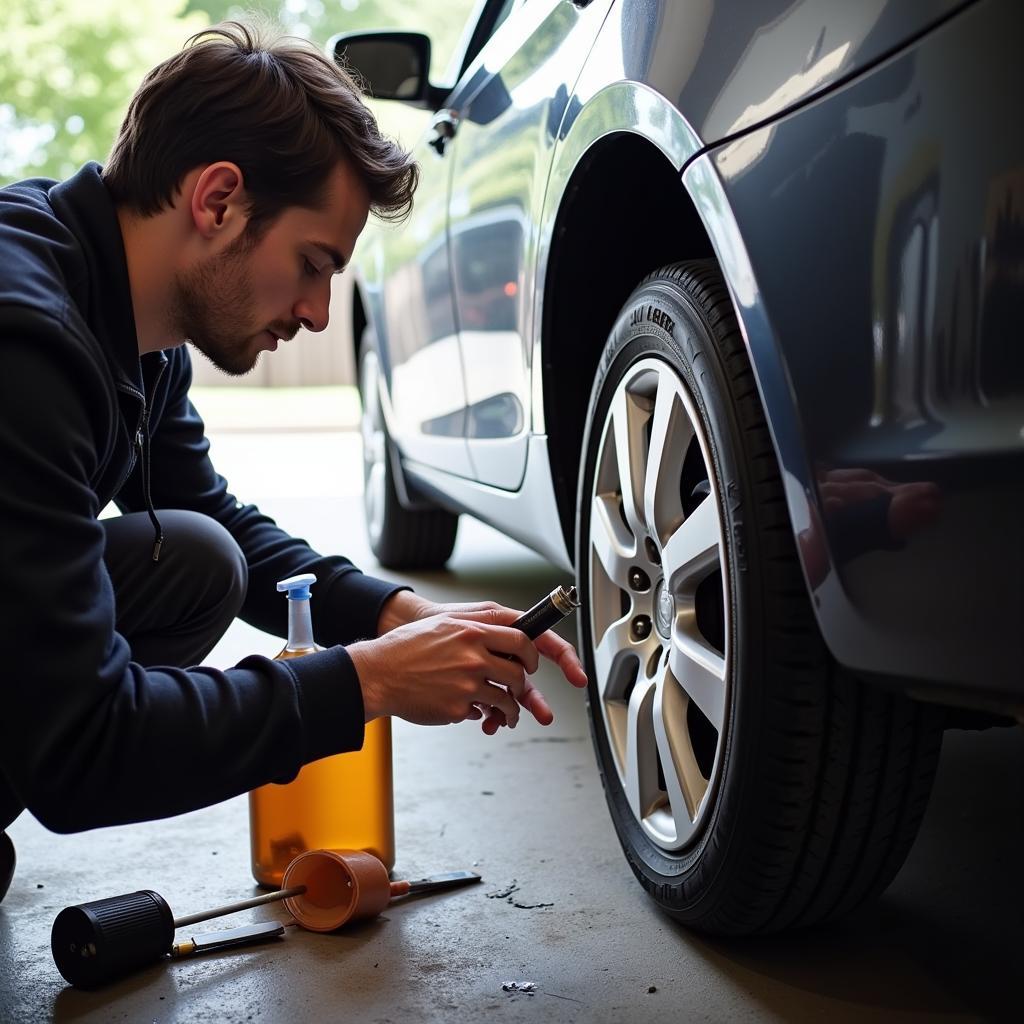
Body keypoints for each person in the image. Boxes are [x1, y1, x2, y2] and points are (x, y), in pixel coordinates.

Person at [0, 21, 587, 901]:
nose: (318, 312)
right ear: (219, 200)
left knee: (200, 557)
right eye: (312, 264)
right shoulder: (26, 345)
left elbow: (220, 521)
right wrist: (369, 682)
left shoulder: (130, 323)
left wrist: (395, 615)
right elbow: (86, 749)